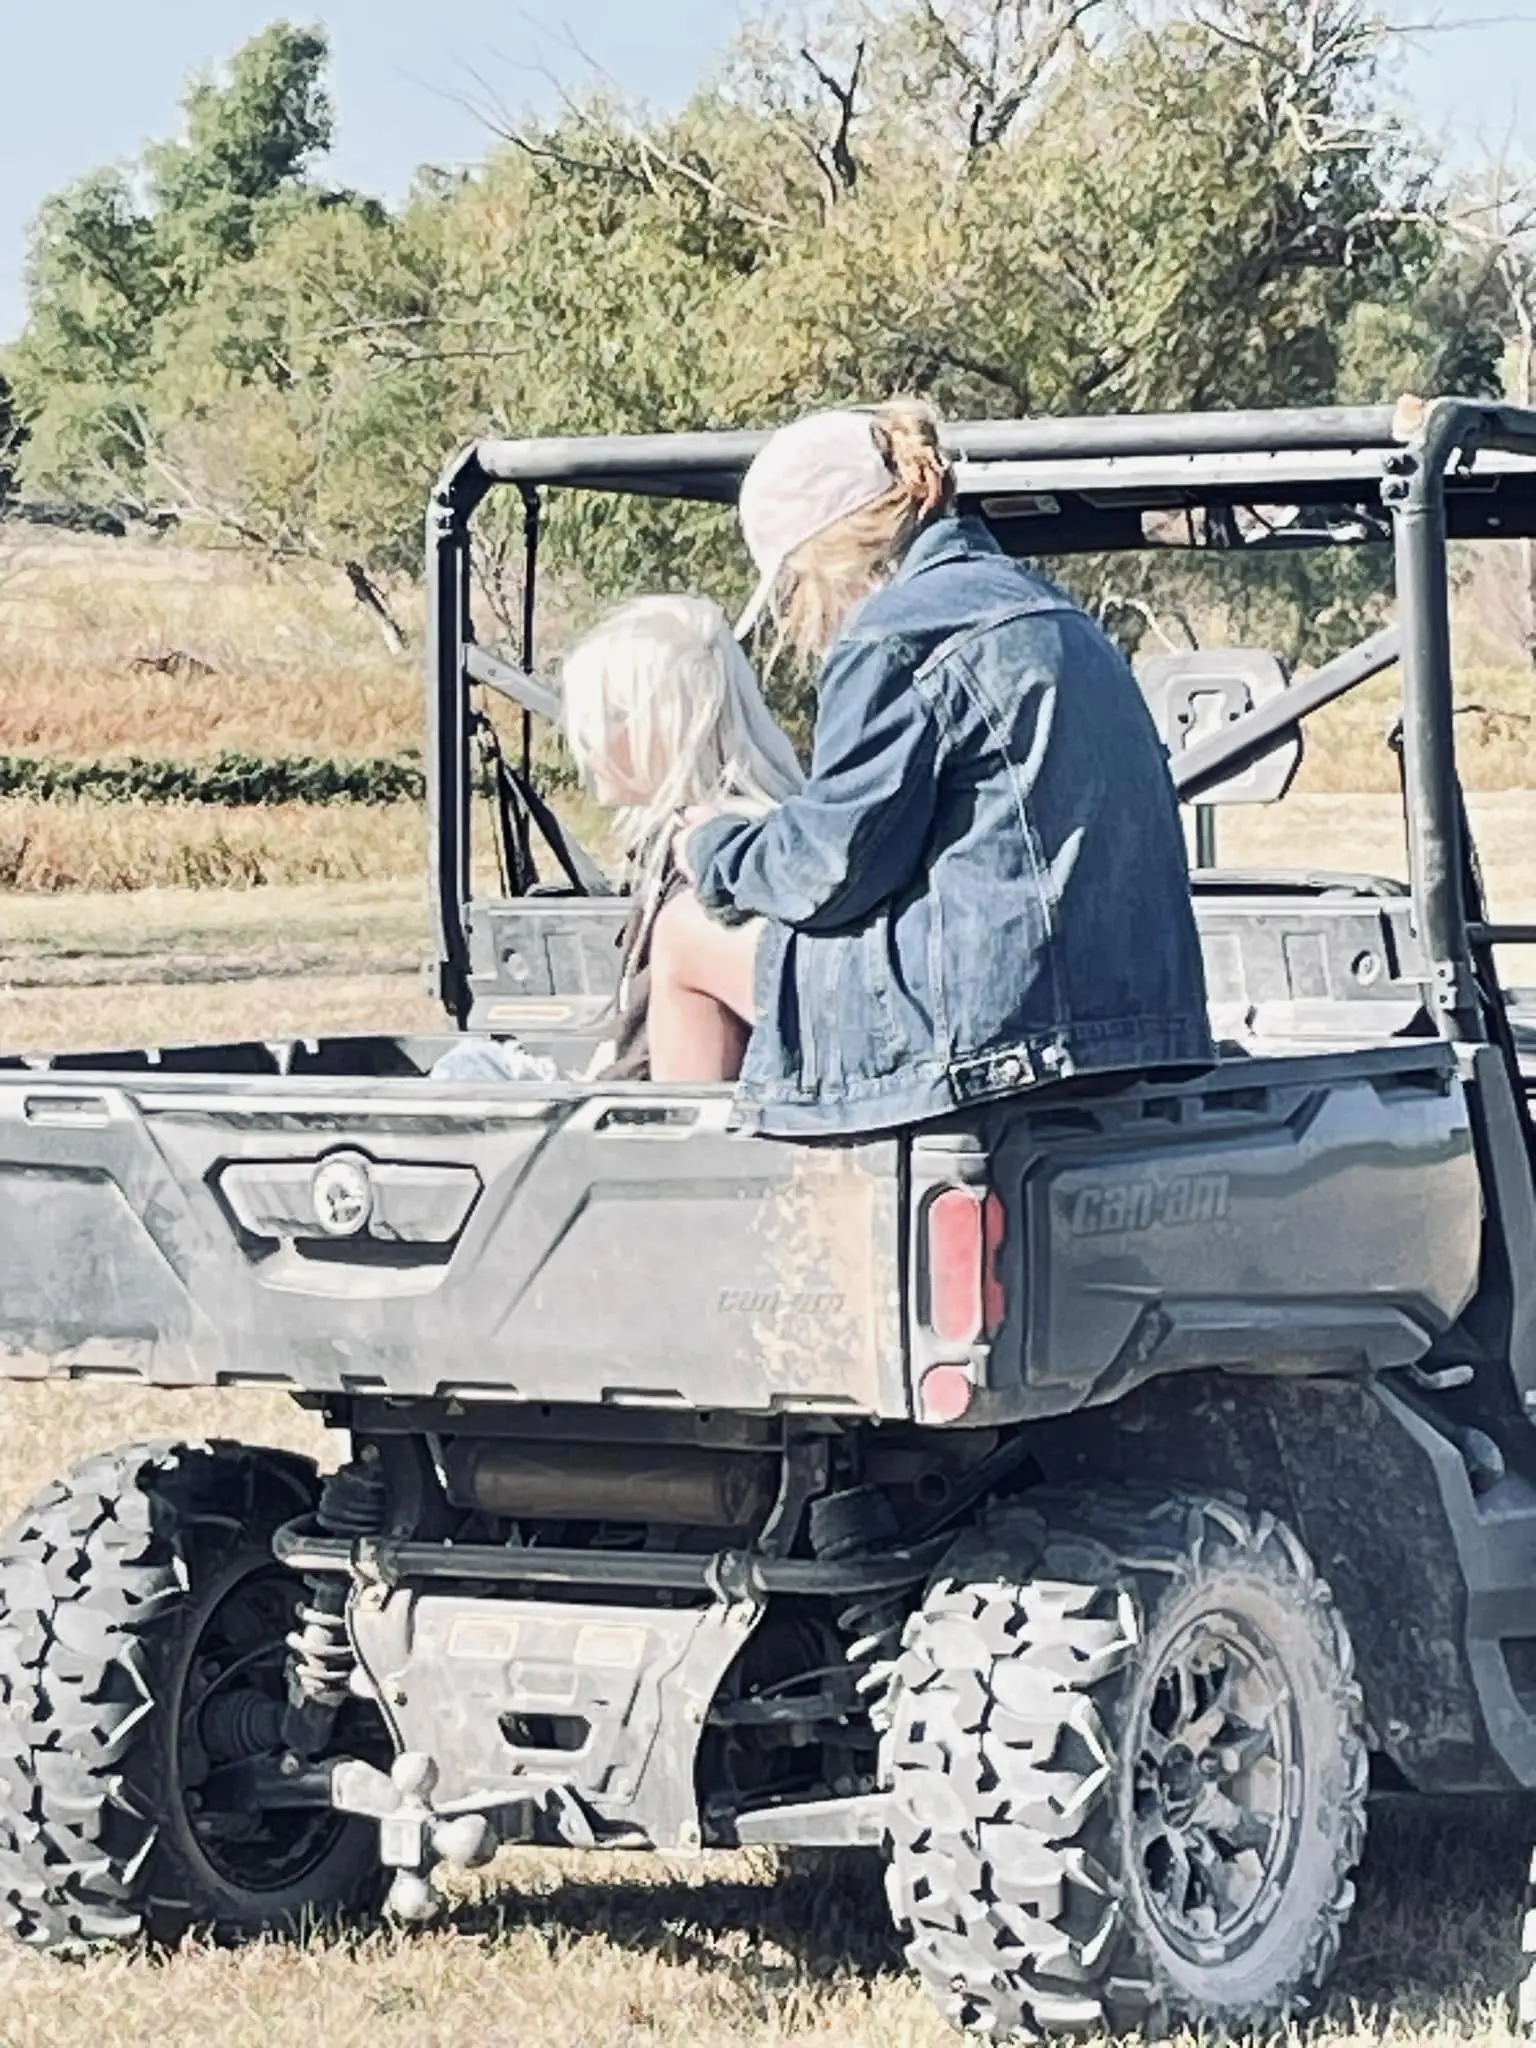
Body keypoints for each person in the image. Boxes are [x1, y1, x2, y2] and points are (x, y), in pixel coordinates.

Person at [648, 399, 1214, 1132]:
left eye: (789, 590)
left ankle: (696, 1200)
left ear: (822, 557)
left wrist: (716, 848)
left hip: (987, 1033)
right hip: (1130, 1028)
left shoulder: (894, 635)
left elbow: (829, 871)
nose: (796, 618)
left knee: (684, 932)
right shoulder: (1061, 613)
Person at [432, 593, 801, 1085]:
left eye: (607, 715)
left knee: (466, 1077)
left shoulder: (719, 866)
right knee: (472, 1065)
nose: (583, 737)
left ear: (660, 725)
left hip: (638, 1133)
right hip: (622, 1103)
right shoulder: (712, 847)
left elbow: (688, 1099)